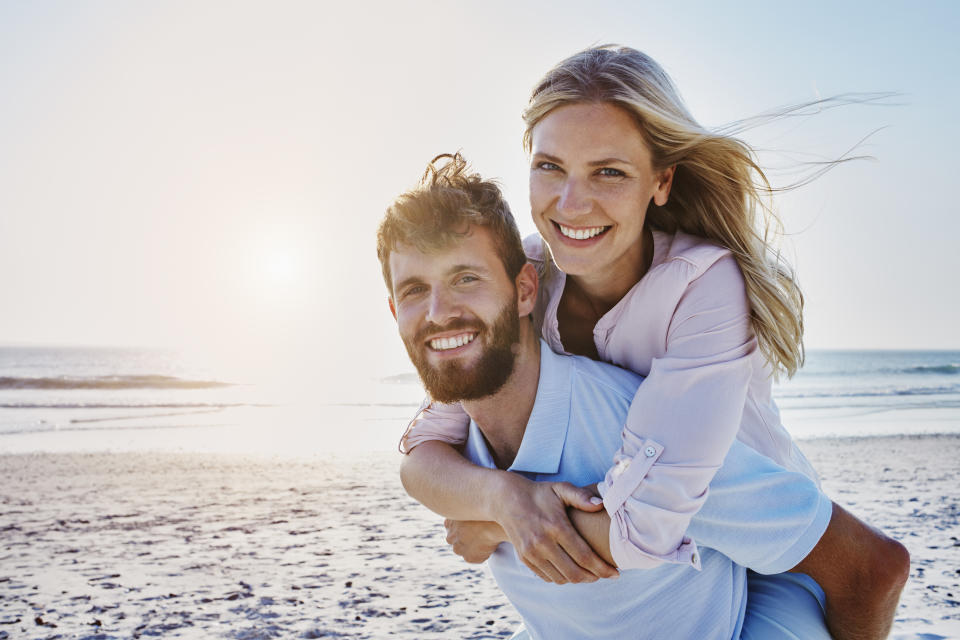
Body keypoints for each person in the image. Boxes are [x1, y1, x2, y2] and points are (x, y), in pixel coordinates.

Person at [397, 46, 909, 640]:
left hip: (760, 542)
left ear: (661, 180)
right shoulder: (530, 275)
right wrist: (501, 496)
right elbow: (424, 452)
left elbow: (646, 526)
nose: (570, 204)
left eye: (608, 172)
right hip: (664, 546)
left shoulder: (702, 283)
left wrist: (493, 526)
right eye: (550, 167)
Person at [377, 155, 837, 638]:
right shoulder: (461, 426)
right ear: (393, 310)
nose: (438, 313)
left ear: (525, 292)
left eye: (465, 279)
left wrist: (501, 523)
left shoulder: (653, 433)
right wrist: (504, 500)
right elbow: (414, 465)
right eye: (413, 290)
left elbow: (869, 562)